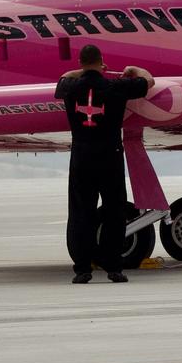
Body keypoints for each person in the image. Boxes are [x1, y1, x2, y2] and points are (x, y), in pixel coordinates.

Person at [54, 44, 152, 284]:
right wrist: (133, 69)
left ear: (80, 61)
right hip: (110, 155)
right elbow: (148, 81)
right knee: (113, 212)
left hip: (82, 156)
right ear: (102, 61)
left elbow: (63, 79)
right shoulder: (115, 87)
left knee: (80, 213)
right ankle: (114, 268)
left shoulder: (70, 88)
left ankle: (82, 269)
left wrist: (86, 72)